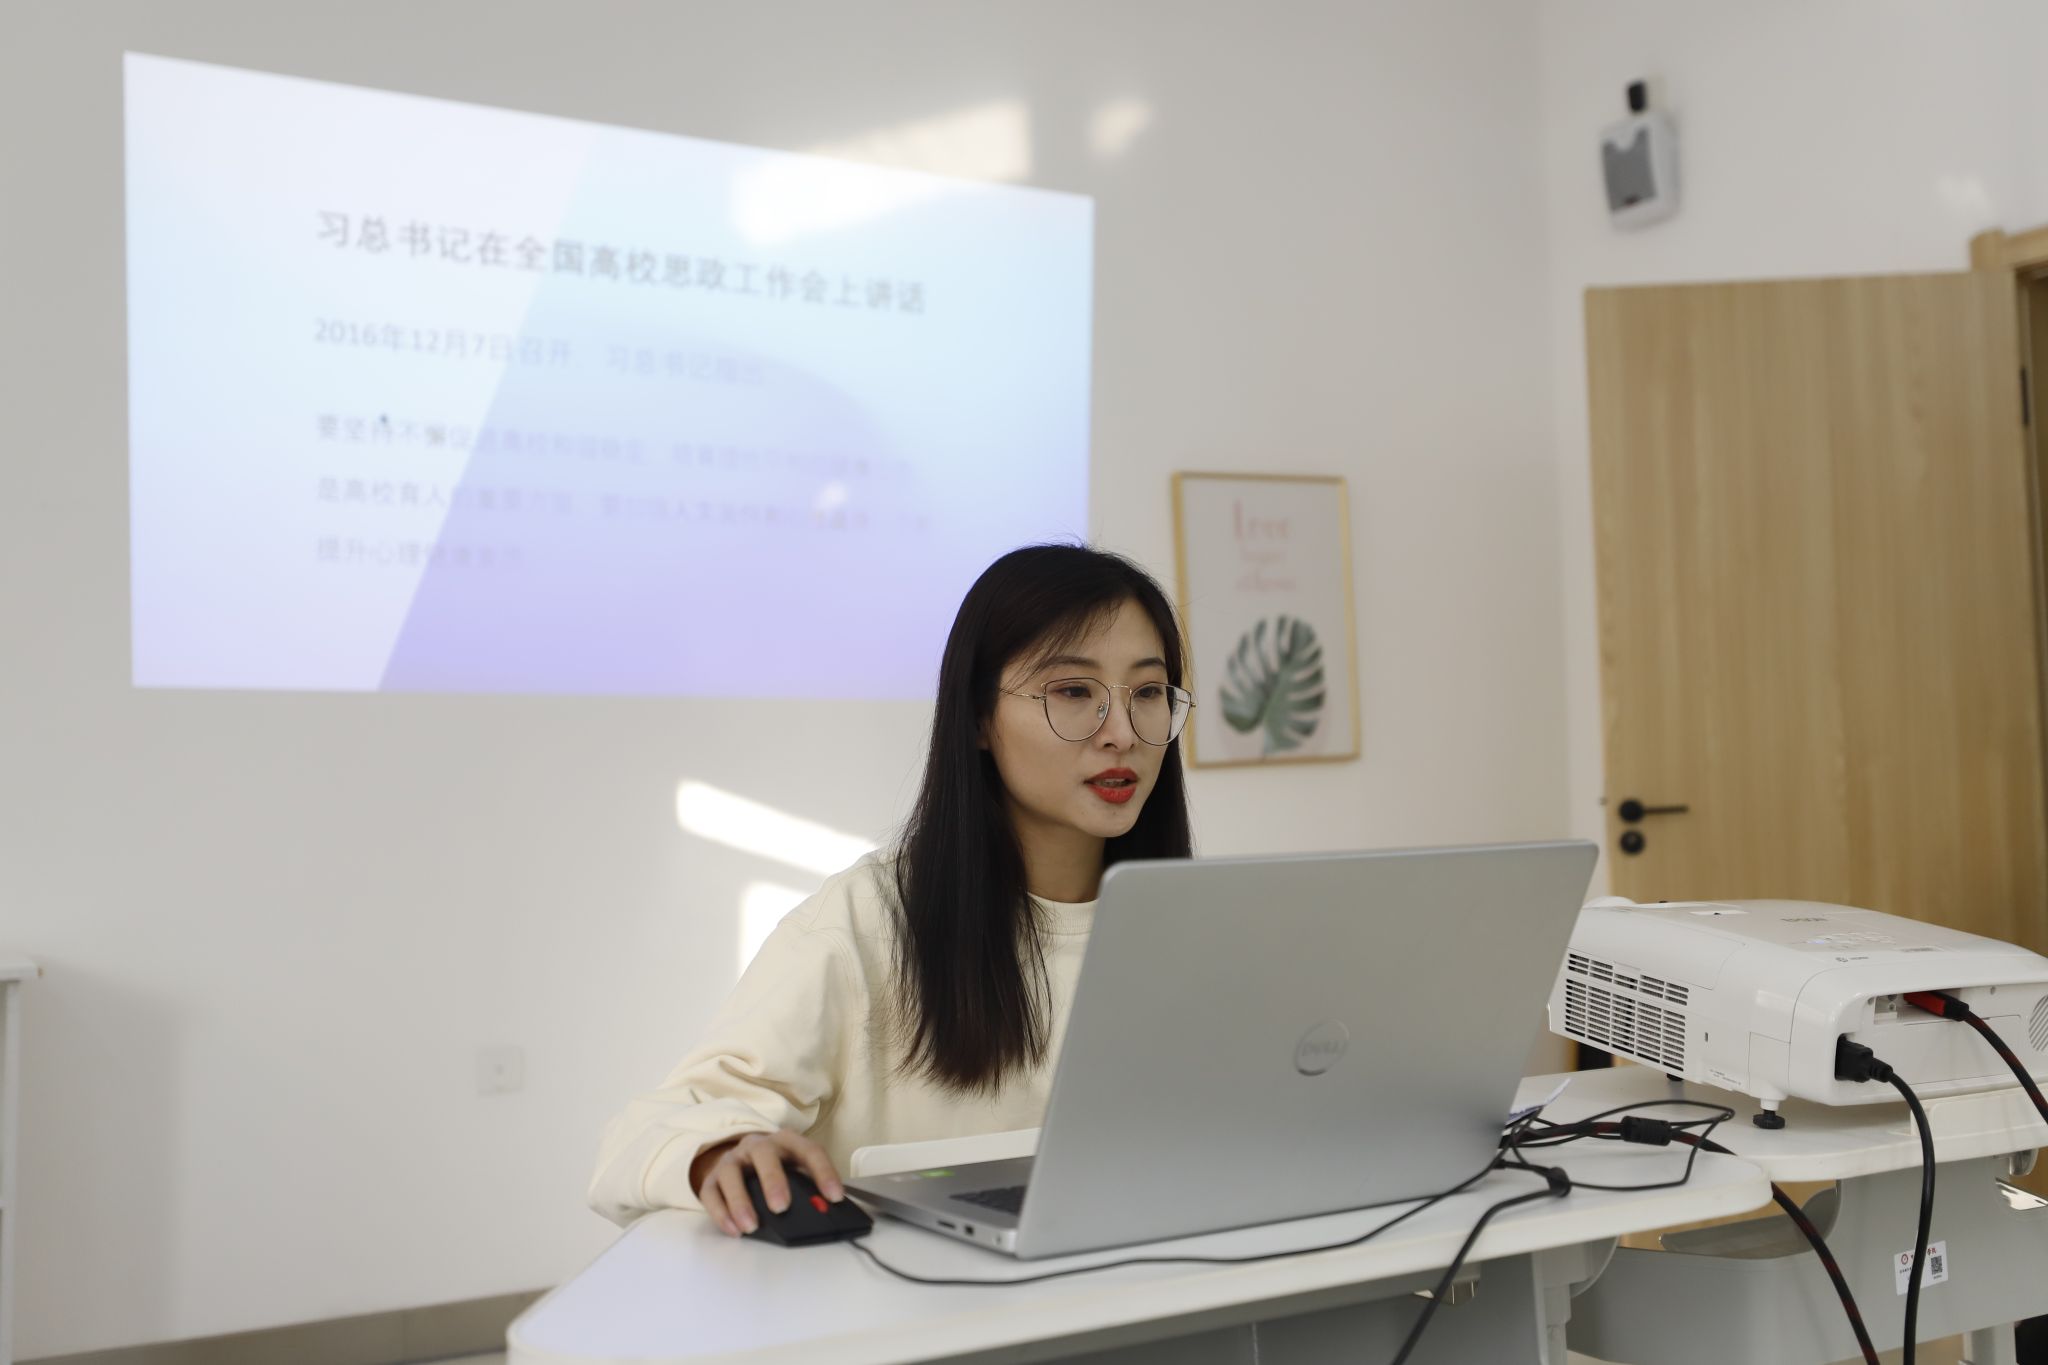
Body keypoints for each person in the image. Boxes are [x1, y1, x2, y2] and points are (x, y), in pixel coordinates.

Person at [587, 543, 1195, 1234]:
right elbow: (652, 1129)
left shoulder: (1197, 926)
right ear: (978, 718)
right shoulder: (865, 923)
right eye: (1074, 692)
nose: (1121, 733)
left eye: (1148, 693)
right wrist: (721, 1150)